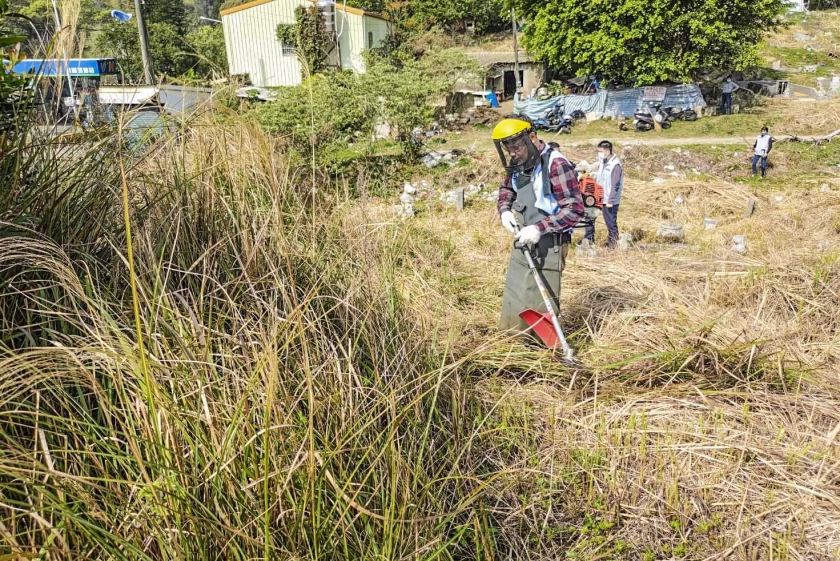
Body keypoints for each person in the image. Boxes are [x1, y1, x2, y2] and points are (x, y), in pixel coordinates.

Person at [493, 116, 584, 335]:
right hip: (522, 239)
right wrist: (505, 210)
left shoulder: (557, 165)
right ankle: (513, 341)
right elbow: (507, 190)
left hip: (550, 243)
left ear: (532, 137)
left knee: (539, 300)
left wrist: (539, 228)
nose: (512, 154)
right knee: (516, 294)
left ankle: (539, 349)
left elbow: (574, 209)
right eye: (508, 150)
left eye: (516, 148)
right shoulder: (517, 163)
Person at [584, 140, 624, 247]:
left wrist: (610, 200)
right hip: (598, 196)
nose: (599, 154)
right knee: (589, 217)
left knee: (610, 222)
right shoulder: (603, 161)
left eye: (600, 151)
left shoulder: (615, 165)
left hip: (609, 199)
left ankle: (613, 243)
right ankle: (589, 239)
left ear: (607, 151)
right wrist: (591, 175)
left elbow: (615, 185)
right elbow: (601, 176)